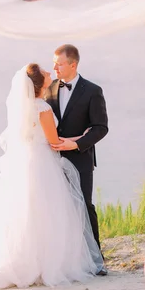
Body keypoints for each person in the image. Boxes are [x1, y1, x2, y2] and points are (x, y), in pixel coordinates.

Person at [0, 63, 104, 289]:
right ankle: (45, 264)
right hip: (43, 162)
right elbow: (54, 143)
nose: (48, 72)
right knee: (47, 213)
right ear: (39, 83)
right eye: (44, 72)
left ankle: (22, 261)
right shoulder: (42, 108)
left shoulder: (25, 108)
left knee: (24, 212)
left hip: (25, 162)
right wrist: (80, 137)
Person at [45, 44, 108, 275]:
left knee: (84, 207)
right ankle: (68, 260)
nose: (54, 68)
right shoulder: (49, 88)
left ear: (73, 64)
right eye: (54, 63)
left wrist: (76, 143)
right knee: (58, 209)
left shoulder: (93, 91)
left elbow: (101, 128)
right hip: (51, 160)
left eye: (59, 64)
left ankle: (97, 261)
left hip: (81, 159)